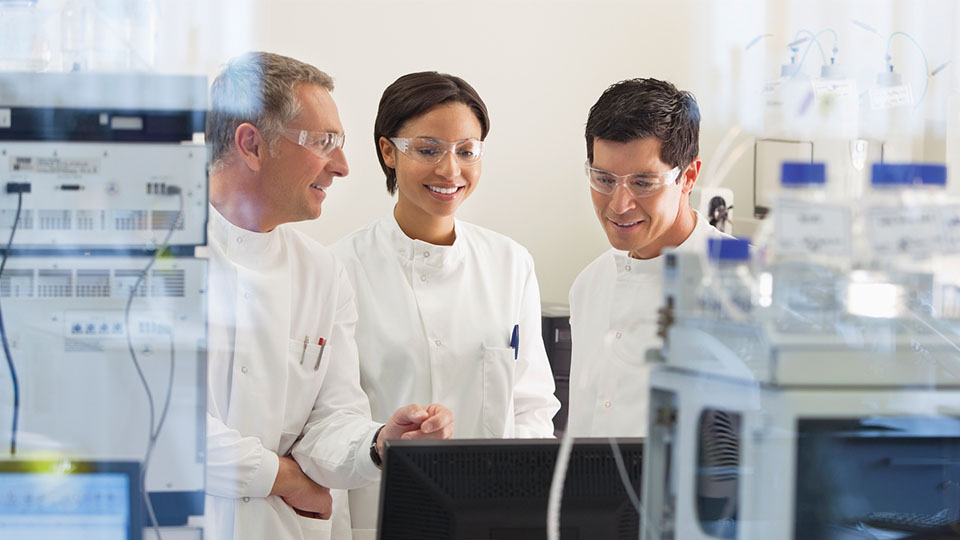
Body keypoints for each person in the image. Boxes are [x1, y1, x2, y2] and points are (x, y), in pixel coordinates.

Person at [203, 52, 453, 540]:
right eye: (324, 142)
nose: (341, 166)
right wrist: (283, 478)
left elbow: (332, 420)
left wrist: (380, 443)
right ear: (252, 145)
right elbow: (154, 430)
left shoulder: (321, 272)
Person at [331, 71, 560, 534]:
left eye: (466, 151)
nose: (450, 170)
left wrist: (527, 505)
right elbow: (330, 419)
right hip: (377, 515)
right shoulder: (339, 269)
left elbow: (531, 407)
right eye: (429, 149)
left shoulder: (510, 263)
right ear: (387, 151)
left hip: (493, 515)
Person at [566, 78, 733, 438]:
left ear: (688, 177)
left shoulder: (740, 281)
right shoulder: (589, 284)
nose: (619, 204)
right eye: (604, 179)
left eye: (643, 183)